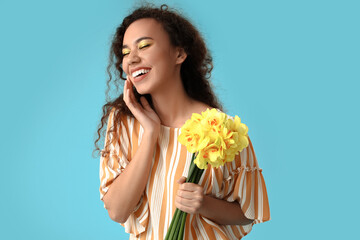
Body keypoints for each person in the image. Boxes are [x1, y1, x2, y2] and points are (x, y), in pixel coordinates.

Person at [94, 4, 270, 240]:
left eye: (144, 46)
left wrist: (204, 204)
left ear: (179, 54)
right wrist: (150, 133)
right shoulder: (124, 122)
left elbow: (249, 212)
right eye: (125, 52)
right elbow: (117, 211)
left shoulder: (223, 129)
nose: (132, 59)